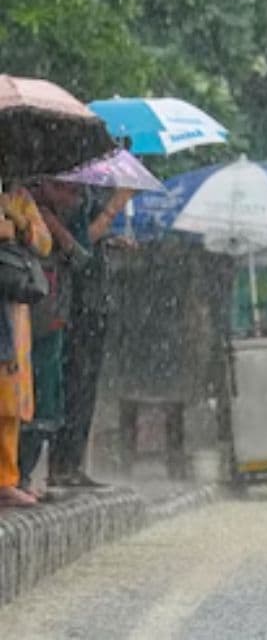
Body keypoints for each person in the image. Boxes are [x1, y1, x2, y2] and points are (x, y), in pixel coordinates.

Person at [50, 186, 133, 487]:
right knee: (74, 383)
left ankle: (73, 462)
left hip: (95, 302)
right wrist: (115, 206)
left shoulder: (87, 193)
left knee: (86, 386)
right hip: (75, 305)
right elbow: (79, 245)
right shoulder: (72, 197)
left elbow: (93, 240)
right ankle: (62, 464)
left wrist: (110, 241)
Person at [20, 179, 88, 493]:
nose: (73, 198)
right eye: (66, 189)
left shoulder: (62, 219)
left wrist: (55, 227)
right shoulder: (20, 208)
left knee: (46, 402)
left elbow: (80, 258)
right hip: (24, 321)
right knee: (23, 401)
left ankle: (24, 474)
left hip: (51, 322)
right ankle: (16, 474)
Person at [0, 186, 52, 507]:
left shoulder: (18, 197)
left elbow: (44, 244)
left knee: (9, 403)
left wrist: (16, 220)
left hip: (11, 309)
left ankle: (6, 478)